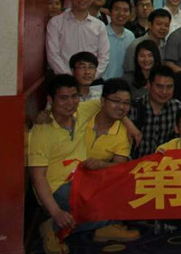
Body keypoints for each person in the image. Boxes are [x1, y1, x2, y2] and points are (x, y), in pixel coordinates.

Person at [28, 75, 139, 253]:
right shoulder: (41, 131)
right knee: (101, 204)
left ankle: (101, 227)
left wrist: (129, 125)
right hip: (56, 187)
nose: (70, 103)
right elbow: (38, 177)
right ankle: (54, 226)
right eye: (63, 98)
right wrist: (56, 212)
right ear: (50, 100)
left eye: (74, 96)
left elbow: (114, 106)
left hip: (81, 178)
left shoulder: (81, 111)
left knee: (121, 190)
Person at [46, 0, 110, 76]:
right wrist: (69, 76)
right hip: (64, 79)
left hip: (91, 80)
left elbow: (104, 56)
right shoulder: (56, 23)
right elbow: (53, 55)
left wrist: (92, 76)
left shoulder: (99, 26)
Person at [129, 65, 181, 158]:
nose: (164, 92)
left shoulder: (177, 107)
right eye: (159, 86)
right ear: (149, 85)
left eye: (169, 87)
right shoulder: (134, 107)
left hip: (165, 162)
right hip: (137, 162)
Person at [105, 0, 135, 80]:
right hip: (103, 83)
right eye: (117, 9)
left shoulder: (131, 36)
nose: (121, 13)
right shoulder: (102, 33)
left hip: (124, 83)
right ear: (110, 12)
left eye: (125, 10)